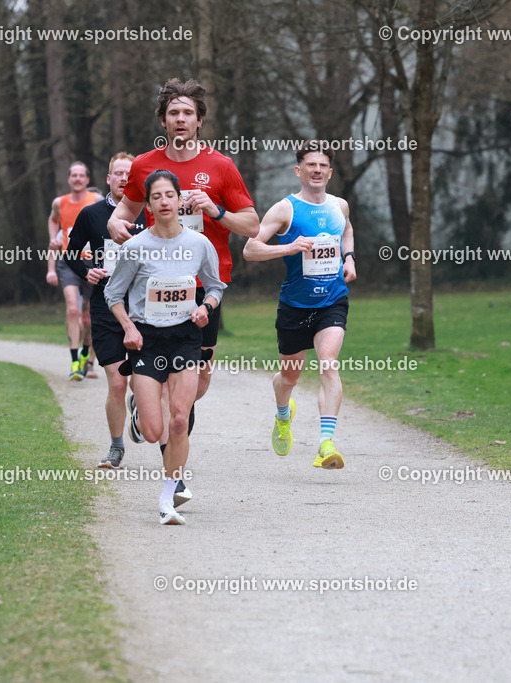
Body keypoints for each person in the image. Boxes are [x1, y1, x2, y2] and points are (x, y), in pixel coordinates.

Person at [107, 77, 259, 443]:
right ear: (163, 121)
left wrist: (217, 212)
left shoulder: (221, 166)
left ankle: (153, 416)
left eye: (187, 113)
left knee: (198, 380)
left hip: (204, 286)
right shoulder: (145, 166)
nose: (180, 119)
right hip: (155, 284)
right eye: (173, 112)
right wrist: (115, 226)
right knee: (168, 387)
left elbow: (252, 225)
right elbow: (123, 212)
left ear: (199, 121)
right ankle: (170, 470)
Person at [104, 170, 225, 524]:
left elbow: (216, 286)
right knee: (155, 431)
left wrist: (206, 308)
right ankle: (140, 414)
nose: (164, 202)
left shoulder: (200, 244)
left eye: (169, 195)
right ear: (148, 205)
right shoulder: (134, 247)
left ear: (179, 199)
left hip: (186, 337)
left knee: (178, 422)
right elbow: (113, 294)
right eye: (156, 197)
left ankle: (167, 499)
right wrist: (128, 328)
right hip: (146, 338)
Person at [242, 141, 356, 469]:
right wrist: (289, 248)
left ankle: (325, 444)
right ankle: (282, 414)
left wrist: (348, 258)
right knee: (289, 377)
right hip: (294, 305)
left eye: (322, 166)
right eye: (310, 165)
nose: (317, 170)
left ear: (330, 172)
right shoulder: (284, 210)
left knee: (328, 364)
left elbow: (347, 231)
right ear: (299, 170)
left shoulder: (340, 206)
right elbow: (250, 250)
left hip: (332, 299)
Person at [63, 152, 145, 468]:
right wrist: (87, 271)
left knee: (142, 377)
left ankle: (142, 402)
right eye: (119, 174)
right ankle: (116, 448)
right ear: (109, 179)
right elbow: (71, 255)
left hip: (143, 307)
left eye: (130, 174)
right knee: (117, 381)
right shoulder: (91, 214)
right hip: (105, 304)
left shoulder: (150, 212)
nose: (125, 179)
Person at [47, 161, 100, 381]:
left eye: (81, 175)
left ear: (87, 180)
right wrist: (52, 238)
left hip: (92, 263)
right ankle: (74, 361)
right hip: (68, 261)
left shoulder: (95, 200)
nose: (77, 179)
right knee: (72, 309)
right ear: (69, 179)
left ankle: (88, 355)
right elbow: (52, 220)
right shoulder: (59, 202)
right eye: (74, 175)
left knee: (89, 319)